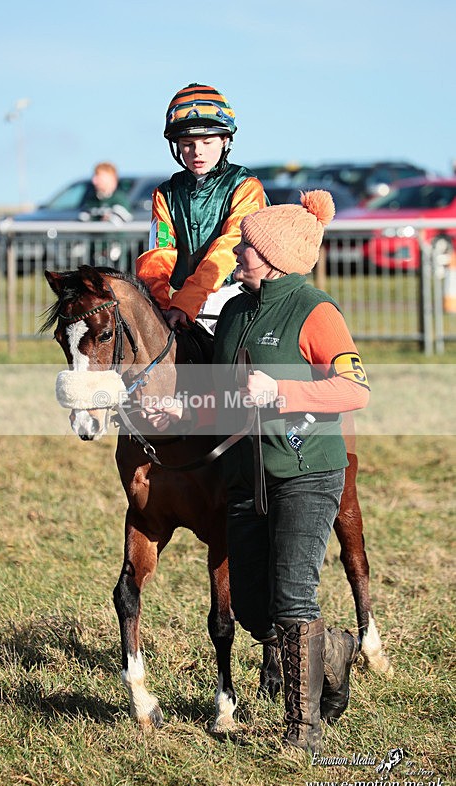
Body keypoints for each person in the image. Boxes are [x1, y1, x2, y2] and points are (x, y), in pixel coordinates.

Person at [145, 190, 371, 752]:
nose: (237, 252)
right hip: (246, 479)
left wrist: (284, 391)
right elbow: (224, 396)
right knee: (251, 608)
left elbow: (355, 389)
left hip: (307, 473)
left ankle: (304, 731)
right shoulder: (238, 312)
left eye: (245, 244)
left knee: (294, 598)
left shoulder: (316, 310)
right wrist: (179, 410)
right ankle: (334, 648)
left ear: (274, 256)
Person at [136, 83, 267, 332]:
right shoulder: (165, 193)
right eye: (187, 144)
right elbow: (159, 253)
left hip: (239, 295)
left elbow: (229, 249)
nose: (198, 152)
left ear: (225, 140)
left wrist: (187, 301)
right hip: (183, 300)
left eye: (207, 142)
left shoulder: (247, 186)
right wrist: (157, 305)